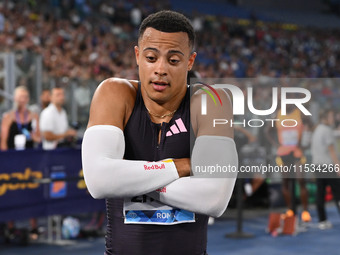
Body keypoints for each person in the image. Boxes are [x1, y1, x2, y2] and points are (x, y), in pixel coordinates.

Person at [82, 10, 238, 255]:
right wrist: (180, 167)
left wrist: (128, 181)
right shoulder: (114, 93)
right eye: (151, 57)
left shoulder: (211, 100)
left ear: (190, 62)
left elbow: (215, 198)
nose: (161, 69)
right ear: (137, 56)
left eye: (174, 60)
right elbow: (99, 182)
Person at [0, 85, 41, 241]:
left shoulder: (33, 116)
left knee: (31, 192)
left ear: (28, 99)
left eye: (25, 97)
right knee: (12, 192)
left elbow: (39, 138)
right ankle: (11, 227)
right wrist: (6, 161)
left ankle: (34, 226)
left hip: (29, 161)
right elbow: (3, 142)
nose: (22, 100)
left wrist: (32, 135)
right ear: (15, 99)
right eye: (19, 97)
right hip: (12, 161)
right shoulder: (8, 117)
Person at [266, 104, 311, 222]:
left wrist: (306, 142)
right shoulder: (278, 114)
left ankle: (305, 211)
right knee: (285, 182)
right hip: (283, 153)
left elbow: (311, 125)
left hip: (296, 152)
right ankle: (290, 210)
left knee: (301, 180)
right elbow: (267, 131)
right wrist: (276, 145)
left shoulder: (299, 112)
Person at [311, 109, 340, 230]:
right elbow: (331, 150)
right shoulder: (327, 130)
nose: (334, 118)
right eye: (332, 116)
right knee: (338, 192)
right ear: (326, 117)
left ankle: (322, 220)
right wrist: (338, 167)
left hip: (317, 166)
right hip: (328, 166)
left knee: (320, 193)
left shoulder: (317, 130)